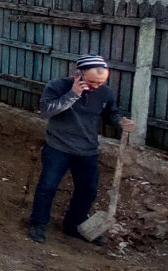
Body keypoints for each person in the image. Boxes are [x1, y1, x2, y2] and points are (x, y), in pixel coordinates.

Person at [27, 54, 136, 244]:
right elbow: (46, 110)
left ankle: (73, 226)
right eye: (92, 82)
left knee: (87, 190)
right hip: (58, 147)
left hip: (87, 150)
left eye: (100, 82)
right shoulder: (58, 86)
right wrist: (73, 95)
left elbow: (111, 113)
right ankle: (38, 223)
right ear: (79, 73)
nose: (96, 86)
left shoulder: (105, 93)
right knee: (47, 187)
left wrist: (121, 121)